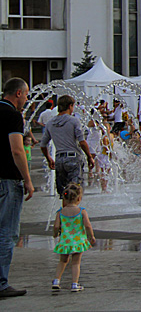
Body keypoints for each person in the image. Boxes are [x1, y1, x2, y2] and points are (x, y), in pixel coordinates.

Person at [0, 78, 33, 299]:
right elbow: (17, 150)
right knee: (7, 233)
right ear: (18, 94)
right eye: (27, 94)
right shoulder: (13, 115)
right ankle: (1, 283)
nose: (28, 99)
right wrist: (28, 180)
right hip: (8, 180)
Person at [41, 96, 95, 199]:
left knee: (64, 192)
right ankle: (74, 214)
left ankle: (64, 212)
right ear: (70, 106)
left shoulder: (50, 123)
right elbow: (82, 142)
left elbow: (43, 145)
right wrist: (89, 156)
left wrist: (49, 158)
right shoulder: (74, 121)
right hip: (73, 158)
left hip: (59, 160)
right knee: (75, 191)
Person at [51, 183, 95, 292]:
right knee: (76, 263)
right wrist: (91, 236)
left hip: (65, 241)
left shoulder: (60, 212)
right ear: (79, 198)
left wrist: (55, 234)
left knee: (62, 261)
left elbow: (56, 226)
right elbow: (87, 225)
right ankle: (75, 284)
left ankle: (56, 281)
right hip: (77, 241)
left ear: (64, 199)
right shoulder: (81, 211)